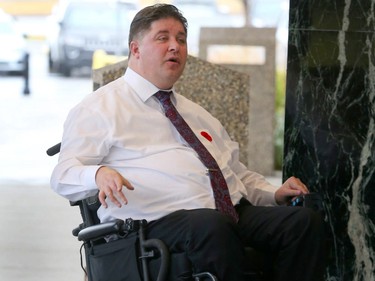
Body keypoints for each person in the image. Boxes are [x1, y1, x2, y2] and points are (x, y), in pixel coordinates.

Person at [51, 4, 326, 281]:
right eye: (163, 38)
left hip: (227, 215)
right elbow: (63, 176)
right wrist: (97, 173)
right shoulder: (101, 108)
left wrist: (273, 193)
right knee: (209, 224)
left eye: (181, 39)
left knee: (302, 223)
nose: (175, 46)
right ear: (135, 50)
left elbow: (235, 174)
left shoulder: (196, 113)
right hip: (155, 225)